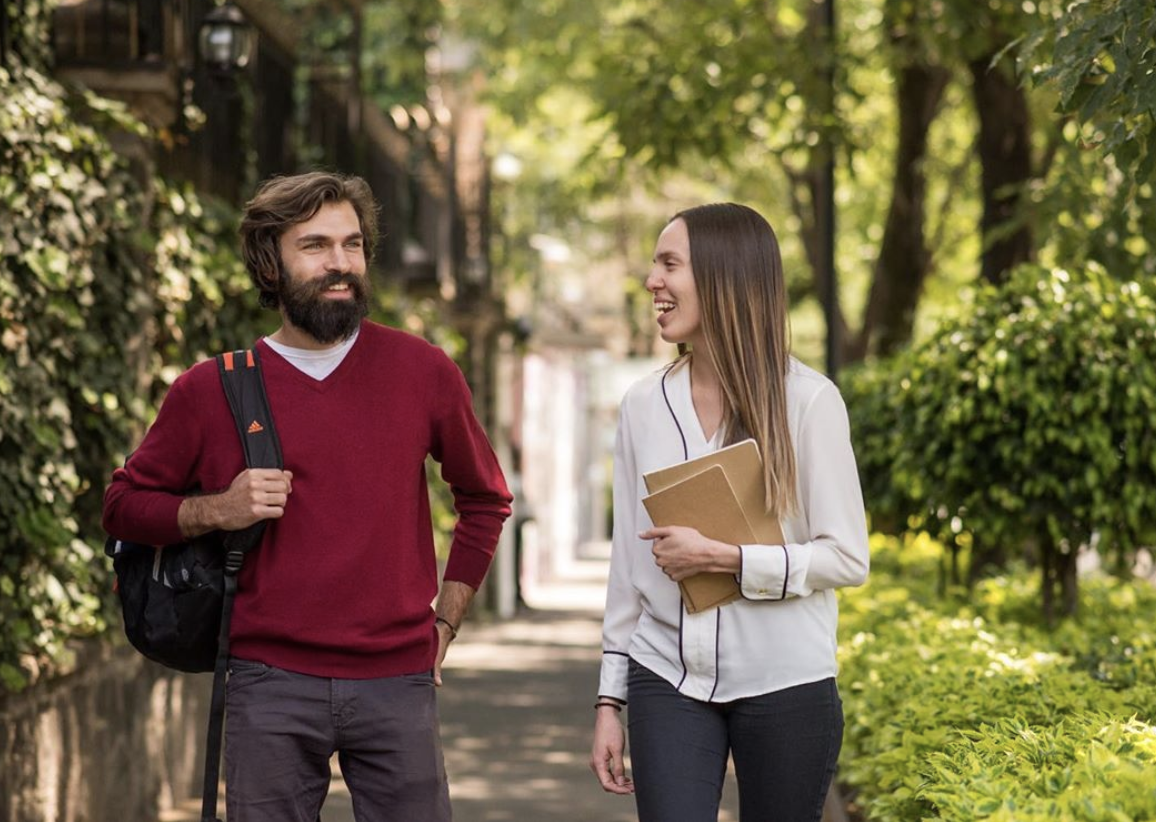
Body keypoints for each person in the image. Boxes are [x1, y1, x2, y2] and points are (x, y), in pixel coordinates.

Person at [103, 171, 512, 822]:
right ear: (272, 262)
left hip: (397, 680)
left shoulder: (423, 371)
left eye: (352, 245)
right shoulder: (212, 389)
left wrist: (447, 621)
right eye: (315, 246)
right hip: (270, 681)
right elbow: (122, 506)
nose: (340, 263)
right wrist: (216, 509)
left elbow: (485, 499)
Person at [589, 203, 869, 822]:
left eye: (669, 264)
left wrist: (731, 561)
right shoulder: (642, 405)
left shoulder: (810, 402)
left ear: (723, 278)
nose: (651, 281)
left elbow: (848, 557)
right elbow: (628, 565)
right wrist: (610, 701)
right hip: (667, 678)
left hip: (787, 683)